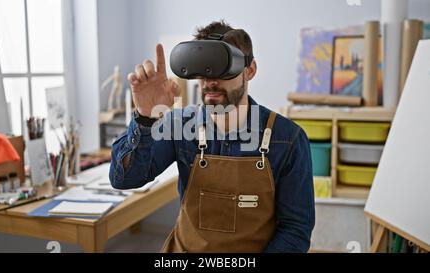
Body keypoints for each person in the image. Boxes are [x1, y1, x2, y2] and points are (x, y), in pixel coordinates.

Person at [109, 20, 315, 253]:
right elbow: (124, 179)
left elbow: (296, 229)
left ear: (250, 70)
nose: (210, 80)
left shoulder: (287, 139)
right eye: (202, 68)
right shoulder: (180, 126)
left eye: (221, 66)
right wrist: (145, 118)